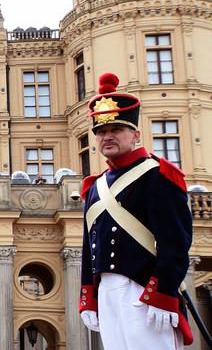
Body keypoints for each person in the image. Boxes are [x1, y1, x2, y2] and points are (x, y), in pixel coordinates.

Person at [79, 72, 194, 349]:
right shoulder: (94, 187)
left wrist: (163, 292)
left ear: (135, 134)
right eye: (101, 132)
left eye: (115, 130)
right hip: (107, 293)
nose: (107, 137)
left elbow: (176, 242)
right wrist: (89, 298)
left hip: (144, 289)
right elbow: (89, 249)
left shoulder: (158, 176)